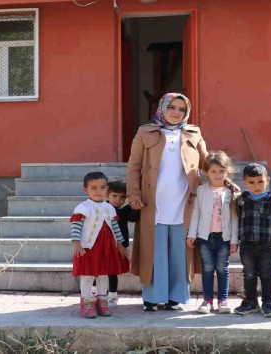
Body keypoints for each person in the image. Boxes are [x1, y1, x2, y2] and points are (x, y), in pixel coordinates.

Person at [126, 93, 208, 312]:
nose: (176, 112)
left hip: (184, 203)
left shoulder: (193, 132)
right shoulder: (145, 132)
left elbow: (207, 163)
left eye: (182, 109)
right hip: (153, 203)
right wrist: (133, 194)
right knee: (155, 250)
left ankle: (175, 297)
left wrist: (227, 182)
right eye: (171, 107)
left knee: (181, 252)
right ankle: (153, 297)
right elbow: (133, 167)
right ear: (162, 108)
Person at [186, 151, 239, 314]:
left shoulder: (231, 192)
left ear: (227, 172)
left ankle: (223, 301)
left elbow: (235, 218)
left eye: (221, 171)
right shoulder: (201, 191)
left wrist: (234, 240)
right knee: (208, 268)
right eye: (214, 171)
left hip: (224, 238)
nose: (217, 175)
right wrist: (192, 234)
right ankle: (207, 301)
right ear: (206, 172)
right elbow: (196, 213)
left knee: (222, 269)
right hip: (205, 237)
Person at [71, 172, 129, 318]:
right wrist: (77, 243)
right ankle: (87, 302)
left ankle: (102, 301)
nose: (98, 191)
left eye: (102, 188)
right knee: (88, 275)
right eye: (94, 188)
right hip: (89, 247)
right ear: (86, 190)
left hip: (106, 247)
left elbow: (115, 227)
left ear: (107, 189)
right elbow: (76, 226)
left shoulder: (109, 208)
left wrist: (120, 243)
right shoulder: (83, 207)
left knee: (104, 274)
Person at [233, 163, 271, 318]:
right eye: (252, 182)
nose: (256, 186)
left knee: (267, 273)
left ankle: (268, 303)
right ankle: (251, 302)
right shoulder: (242, 200)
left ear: (267, 180)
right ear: (245, 182)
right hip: (247, 244)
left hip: (266, 244)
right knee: (249, 273)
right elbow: (238, 219)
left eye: (260, 181)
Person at [105, 179, 139, 307]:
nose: (118, 200)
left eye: (122, 197)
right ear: (107, 194)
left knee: (112, 272)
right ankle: (94, 294)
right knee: (98, 271)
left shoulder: (124, 211)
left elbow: (133, 218)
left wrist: (135, 207)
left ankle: (112, 296)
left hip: (120, 247)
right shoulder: (103, 209)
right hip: (103, 246)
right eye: (114, 196)